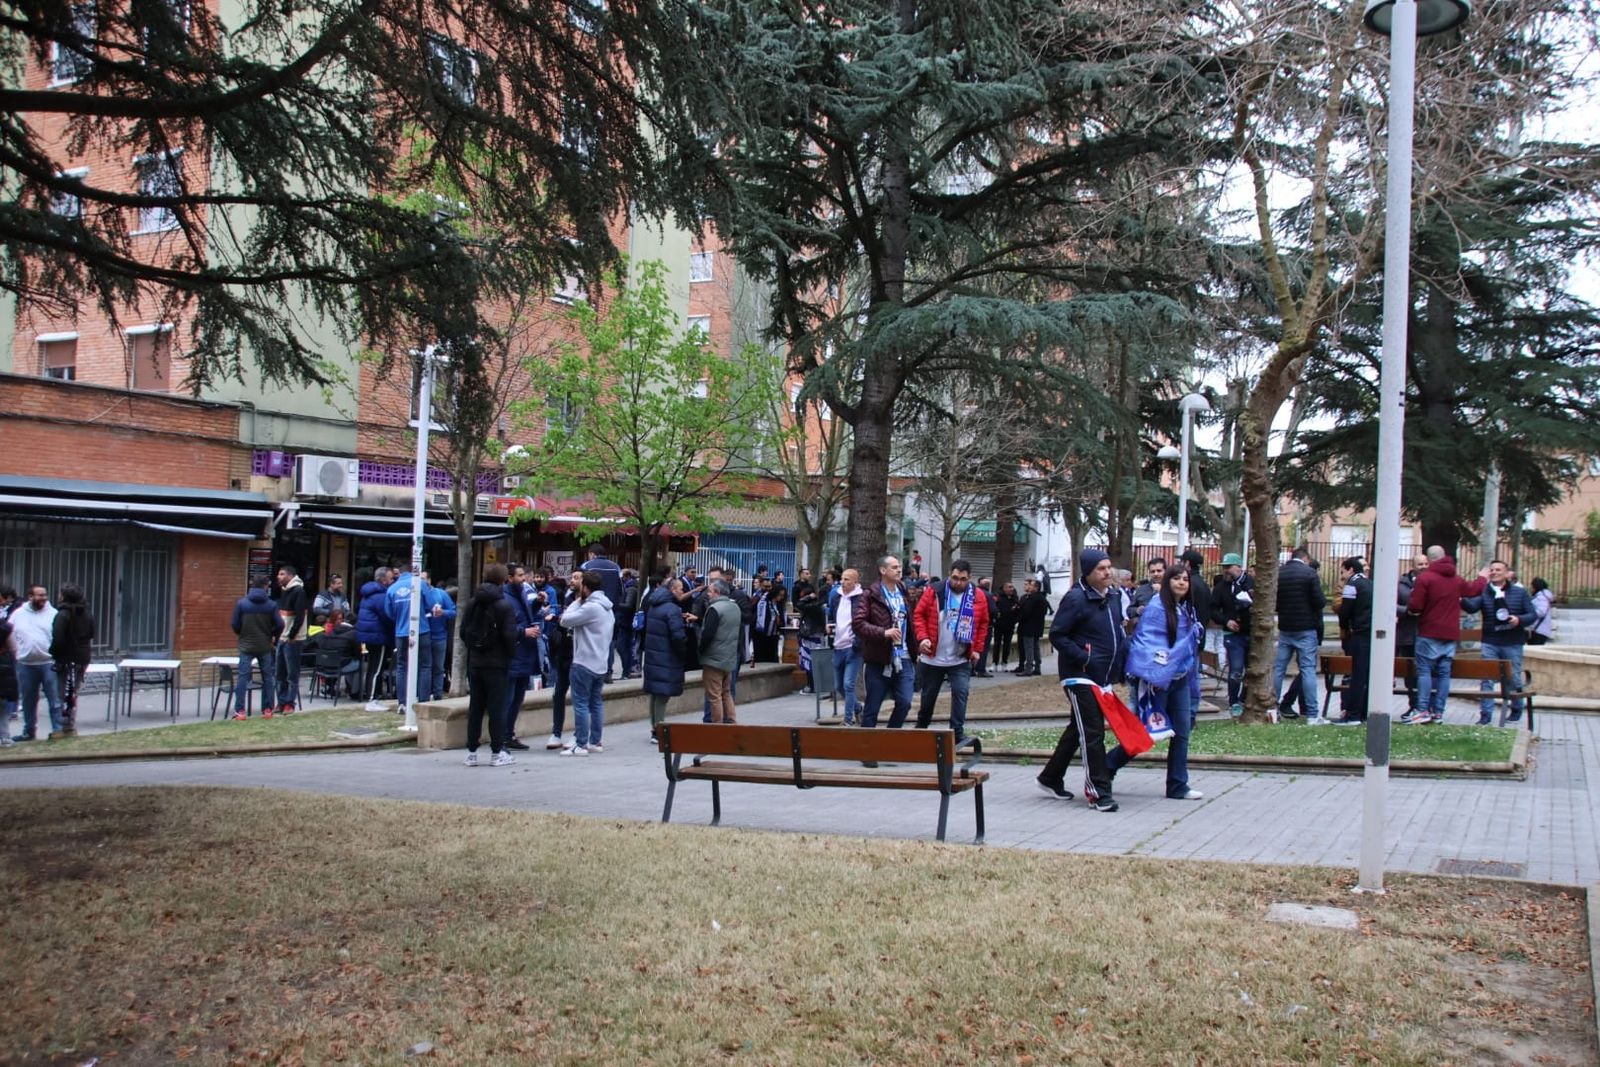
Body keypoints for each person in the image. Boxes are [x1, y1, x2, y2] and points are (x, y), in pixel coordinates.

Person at [1038, 549, 1128, 812]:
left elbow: (1116, 634)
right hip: (1079, 676)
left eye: (1109, 567)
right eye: (1101, 568)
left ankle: (1050, 777)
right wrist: (1084, 658)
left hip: (1102, 677)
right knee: (1092, 731)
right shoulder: (1076, 598)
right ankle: (1098, 791)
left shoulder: (1112, 596)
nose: (1107, 572)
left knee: (1078, 729)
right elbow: (1058, 635)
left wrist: (1118, 668)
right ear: (1088, 572)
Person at [1113, 564, 1204, 799]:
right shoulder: (1156, 607)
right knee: (1146, 733)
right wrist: (1160, 668)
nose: (1182, 583)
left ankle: (1177, 785)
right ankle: (1106, 767)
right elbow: (1149, 642)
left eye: (1185, 579)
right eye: (1176, 578)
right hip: (1157, 680)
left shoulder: (1184, 609)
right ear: (1167, 582)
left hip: (1180, 679)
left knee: (1182, 731)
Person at [1403, 546, 1490, 724]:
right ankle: (1439, 713)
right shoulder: (1455, 579)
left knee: (1425, 671)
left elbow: (1415, 606)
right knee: (1444, 673)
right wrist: (1482, 578)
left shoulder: (1425, 578)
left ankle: (1422, 710)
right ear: (1445, 557)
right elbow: (1473, 589)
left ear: (1429, 559)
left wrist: (1413, 610)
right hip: (1450, 634)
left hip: (1429, 631)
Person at [911, 559, 990, 743]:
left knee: (961, 692)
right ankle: (922, 727)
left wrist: (977, 649)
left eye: (962, 579)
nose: (958, 582)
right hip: (934, 657)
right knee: (928, 696)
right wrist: (923, 638)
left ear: (969, 578)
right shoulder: (935, 591)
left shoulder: (977, 596)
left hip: (960, 657)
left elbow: (984, 624)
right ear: (949, 574)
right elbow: (918, 615)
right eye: (954, 578)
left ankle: (957, 732)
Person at [1461, 560, 1535, 724]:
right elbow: (1472, 607)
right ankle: (1485, 715)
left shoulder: (1519, 592)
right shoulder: (1485, 592)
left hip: (1512, 641)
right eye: (1492, 570)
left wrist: (1519, 619)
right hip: (1491, 641)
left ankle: (1516, 706)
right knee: (1487, 677)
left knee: (1513, 677)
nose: (1494, 572)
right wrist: (1460, 596)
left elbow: (1532, 614)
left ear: (1507, 573)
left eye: (1498, 569)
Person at [460, 563, 518, 767]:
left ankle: (471, 752)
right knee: (497, 709)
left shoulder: (472, 603)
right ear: (504, 579)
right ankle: (497, 751)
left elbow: (463, 631)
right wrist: (510, 654)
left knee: (475, 707)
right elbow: (509, 635)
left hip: (475, 661)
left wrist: (475, 648)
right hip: (497, 663)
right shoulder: (504, 605)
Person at [854, 555, 913, 741]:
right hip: (880, 659)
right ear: (883, 570)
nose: (899, 570)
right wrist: (883, 632)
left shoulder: (903, 592)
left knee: (905, 702)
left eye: (900, 567)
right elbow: (858, 624)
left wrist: (918, 645)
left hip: (903, 657)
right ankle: (868, 748)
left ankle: (888, 740)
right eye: (894, 567)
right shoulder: (870, 595)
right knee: (873, 706)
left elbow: (910, 622)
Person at [558, 569, 614, 756]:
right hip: (601, 662)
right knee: (596, 702)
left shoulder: (590, 607)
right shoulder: (607, 607)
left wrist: (577, 600)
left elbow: (565, 620)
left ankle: (581, 744)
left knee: (581, 704)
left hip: (584, 661)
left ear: (586, 588)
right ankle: (595, 741)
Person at [1271, 547, 1327, 724]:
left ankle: (1273, 709)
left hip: (1286, 627)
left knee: (1279, 669)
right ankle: (1312, 714)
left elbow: (1275, 602)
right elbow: (1319, 602)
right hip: (1306, 628)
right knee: (1308, 668)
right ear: (1306, 559)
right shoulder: (1310, 574)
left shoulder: (1280, 573)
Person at [641, 570, 689, 736]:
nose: (682, 591)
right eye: (681, 588)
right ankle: (659, 731)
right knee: (662, 696)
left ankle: (654, 726)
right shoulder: (672, 609)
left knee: (656, 693)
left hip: (654, 655)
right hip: (667, 656)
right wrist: (683, 651)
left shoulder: (655, 605)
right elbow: (677, 635)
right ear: (673, 590)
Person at [10, 584, 61, 742]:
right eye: (39, 595)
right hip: (25, 664)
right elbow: (9, 632)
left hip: (48, 663)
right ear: (30, 597)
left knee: (54, 699)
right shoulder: (18, 614)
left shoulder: (53, 614)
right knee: (28, 700)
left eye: (44, 595)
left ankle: (57, 731)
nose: (43, 598)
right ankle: (29, 731)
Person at [229, 576, 280, 719]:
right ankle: (268, 709)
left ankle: (240, 711)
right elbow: (280, 624)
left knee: (242, 678)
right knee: (268, 678)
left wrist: (241, 633)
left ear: (252, 585)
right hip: (264, 645)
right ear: (265, 586)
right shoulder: (271, 605)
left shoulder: (242, 604)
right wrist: (273, 635)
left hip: (246, 645)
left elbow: (234, 623)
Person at [502, 565, 541, 750]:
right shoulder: (504, 598)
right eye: (519, 576)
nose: (523, 579)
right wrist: (523, 632)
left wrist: (538, 604)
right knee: (508, 699)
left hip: (525, 654)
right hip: (513, 654)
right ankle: (502, 735)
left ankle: (508, 734)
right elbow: (504, 628)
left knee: (517, 698)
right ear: (509, 578)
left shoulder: (521, 594)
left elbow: (525, 615)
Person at [1210, 553, 1253, 717]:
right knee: (1236, 669)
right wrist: (1226, 621)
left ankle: (1244, 699)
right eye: (1224, 567)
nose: (1226, 571)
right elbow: (1213, 609)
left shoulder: (1251, 582)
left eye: (1228, 567)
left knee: (1250, 670)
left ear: (1238, 567)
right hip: (1232, 635)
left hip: (1251, 632)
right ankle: (1234, 702)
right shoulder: (1221, 587)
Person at [385, 567, 434, 712]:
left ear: (399, 574)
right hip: (422, 630)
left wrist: (401, 619)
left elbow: (389, 613)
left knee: (401, 666)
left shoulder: (392, 589)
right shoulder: (421, 584)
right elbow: (430, 605)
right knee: (425, 666)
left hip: (401, 632)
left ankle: (402, 703)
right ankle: (424, 701)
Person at [49, 583, 94, 736]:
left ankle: (61, 726)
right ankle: (69, 724)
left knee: (60, 692)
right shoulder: (87, 613)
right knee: (73, 690)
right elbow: (91, 634)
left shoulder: (63, 615)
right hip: (82, 657)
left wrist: (54, 654)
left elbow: (58, 639)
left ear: (64, 596)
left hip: (66, 658)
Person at [542, 570, 579, 749]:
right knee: (558, 694)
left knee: (579, 696)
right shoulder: (568, 598)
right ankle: (556, 732)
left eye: (576, 578)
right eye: (572, 577)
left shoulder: (588, 603)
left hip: (579, 655)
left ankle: (578, 734)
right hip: (564, 651)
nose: (572, 581)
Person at [1334, 557, 1373, 724]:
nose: (1342, 576)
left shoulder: (1351, 585)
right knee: (1366, 675)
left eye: (1343, 571)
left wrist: (1345, 626)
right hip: (1370, 633)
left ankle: (1353, 715)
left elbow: (1345, 610)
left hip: (1359, 633)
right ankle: (1364, 712)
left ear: (1350, 570)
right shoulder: (1370, 583)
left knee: (1357, 676)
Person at [699, 578, 743, 724]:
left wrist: (700, 650)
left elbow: (707, 634)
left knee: (714, 696)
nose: (708, 594)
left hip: (713, 659)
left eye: (710, 591)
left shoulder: (714, 609)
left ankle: (717, 728)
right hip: (729, 657)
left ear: (717, 592)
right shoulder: (735, 607)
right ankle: (731, 721)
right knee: (726, 692)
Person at [580, 544, 624, 681]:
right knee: (609, 640)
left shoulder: (587, 566)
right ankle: (608, 671)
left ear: (592, 554)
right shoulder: (615, 567)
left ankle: (591, 671)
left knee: (590, 639)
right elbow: (621, 590)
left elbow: (582, 586)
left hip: (591, 607)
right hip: (611, 608)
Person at [827, 568, 864, 725]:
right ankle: (857, 708)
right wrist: (829, 625)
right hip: (838, 646)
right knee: (839, 686)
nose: (843, 582)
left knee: (848, 684)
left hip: (853, 647)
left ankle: (848, 719)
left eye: (847, 579)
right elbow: (831, 615)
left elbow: (863, 623)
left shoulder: (861, 599)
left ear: (855, 582)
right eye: (842, 579)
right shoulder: (836, 596)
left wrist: (857, 644)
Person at [274, 563, 310, 715]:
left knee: (291, 673)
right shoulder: (284, 591)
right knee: (279, 673)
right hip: (282, 637)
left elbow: (299, 616)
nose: (278, 576)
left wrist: (292, 635)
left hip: (292, 639)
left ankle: (289, 703)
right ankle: (281, 702)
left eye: (282, 574)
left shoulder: (298, 592)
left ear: (290, 576)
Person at [356, 566, 394, 705]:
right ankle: (373, 697)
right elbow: (387, 616)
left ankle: (371, 693)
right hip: (378, 635)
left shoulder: (369, 594)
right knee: (377, 668)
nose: (392, 581)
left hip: (369, 635)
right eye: (390, 578)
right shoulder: (381, 596)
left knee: (372, 666)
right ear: (384, 580)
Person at [1396, 553, 1427, 714]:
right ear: (1413, 566)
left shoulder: (1431, 582)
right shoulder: (1401, 584)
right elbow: (1391, 605)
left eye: (1425, 563)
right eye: (1420, 564)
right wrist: (1407, 611)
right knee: (1410, 674)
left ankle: (1424, 706)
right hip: (1407, 635)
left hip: (1426, 633)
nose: (1423, 567)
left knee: (1424, 672)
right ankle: (1413, 704)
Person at [312, 608, 362, 698]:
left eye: (341, 619)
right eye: (338, 619)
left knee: (349, 661)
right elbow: (357, 653)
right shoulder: (353, 633)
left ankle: (348, 688)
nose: (339, 621)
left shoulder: (329, 632)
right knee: (358, 664)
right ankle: (355, 691)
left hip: (326, 663)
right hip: (339, 664)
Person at [422, 573, 456, 701]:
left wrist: (443, 612)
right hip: (422, 635)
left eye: (424, 579)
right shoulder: (416, 595)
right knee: (424, 668)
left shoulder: (441, 594)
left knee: (438, 667)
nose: (422, 582)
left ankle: (437, 694)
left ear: (429, 580)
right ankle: (423, 695)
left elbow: (453, 611)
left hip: (439, 636)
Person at [1014, 578, 1049, 676]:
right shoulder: (1042, 598)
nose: (1029, 587)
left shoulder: (1033, 598)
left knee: (1029, 648)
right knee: (1035, 647)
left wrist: (1017, 618)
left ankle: (1028, 668)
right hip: (1037, 627)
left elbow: (1026, 612)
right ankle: (1037, 667)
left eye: (1032, 585)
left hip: (1029, 627)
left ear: (1036, 587)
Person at [972, 577, 998, 677]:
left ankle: (971, 669)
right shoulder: (988, 595)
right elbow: (993, 610)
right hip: (986, 625)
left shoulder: (973, 593)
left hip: (973, 623)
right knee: (983, 647)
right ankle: (980, 668)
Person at [751, 577, 782, 663]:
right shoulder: (757, 598)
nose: (767, 589)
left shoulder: (773, 600)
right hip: (760, 633)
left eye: (769, 587)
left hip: (772, 634)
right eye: (765, 586)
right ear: (761, 585)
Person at [992, 581, 1019, 670]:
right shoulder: (998, 597)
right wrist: (996, 618)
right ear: (1004, 588)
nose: (1012, 589)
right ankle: (994, 663)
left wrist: (1014, 620)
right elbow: (994, 609)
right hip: (999, 625)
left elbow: (1018, 611)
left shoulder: (1015, 598)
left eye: (1012, 587)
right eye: (1009, 587)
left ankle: (1004, 663)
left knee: (1007, 645)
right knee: (997, 644)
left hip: (1010, 625)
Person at [1528, 577, 1554, 646]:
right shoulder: (1543, 596)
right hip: (1540, 629)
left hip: (1539, 630)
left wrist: (1529, 615)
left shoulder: (1541, 598)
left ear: (1535, 587)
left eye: (1531, 586)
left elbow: (1541, 612)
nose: (1530, 589)